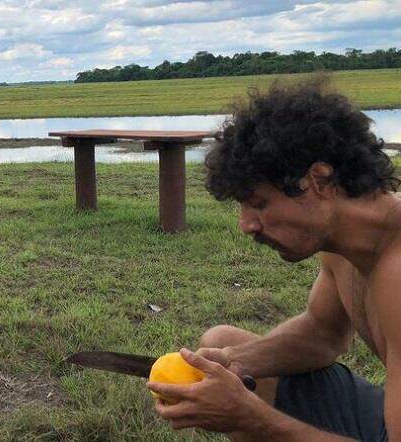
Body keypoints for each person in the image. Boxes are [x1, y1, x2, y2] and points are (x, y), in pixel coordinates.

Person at [148, 78, 398, 441]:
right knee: (224, 342)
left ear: (319, 181)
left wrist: (251, 418)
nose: (246, 225)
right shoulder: (344, 245)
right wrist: (236, 359)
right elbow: (322, 334)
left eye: (260, 204)